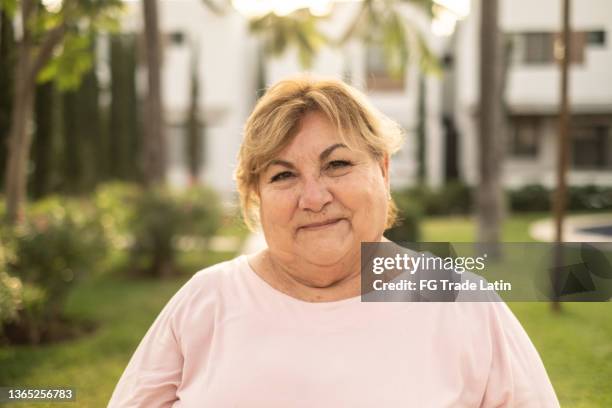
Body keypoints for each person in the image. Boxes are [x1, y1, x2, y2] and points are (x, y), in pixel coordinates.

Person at [108, 76, 560, 407]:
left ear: (382, 170)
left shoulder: (461, 302)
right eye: (283, 175)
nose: (314, 197)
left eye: (337, 164)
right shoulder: (206, 301)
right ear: (256, 195)